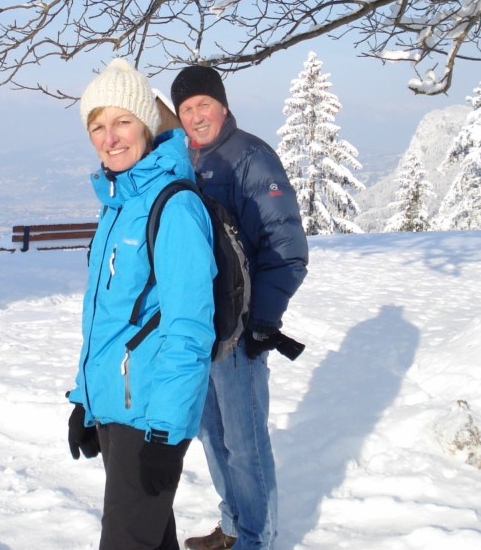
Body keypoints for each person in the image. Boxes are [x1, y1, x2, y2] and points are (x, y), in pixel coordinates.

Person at [67, 58, 218, 550]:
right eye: (97, 126)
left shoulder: (174, 206)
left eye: (122, 122)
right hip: (117, 407)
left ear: (147, 126)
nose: (110, 138)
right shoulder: (119, 203)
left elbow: (189, 328)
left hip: (150, 415)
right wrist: (85, 401)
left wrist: (167, 434)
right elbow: (108, 319)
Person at [171, 65, 309, 550]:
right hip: (197, 329)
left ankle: (256, 540)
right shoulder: (184, 160)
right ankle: (232, 527)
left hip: (239, 329)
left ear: (223, 106)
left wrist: (263, 320)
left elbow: (287, 248)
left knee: (245, 445)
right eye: (187, 108)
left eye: (204, 104)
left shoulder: (252, 157)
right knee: (212, 436)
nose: (196, 115)